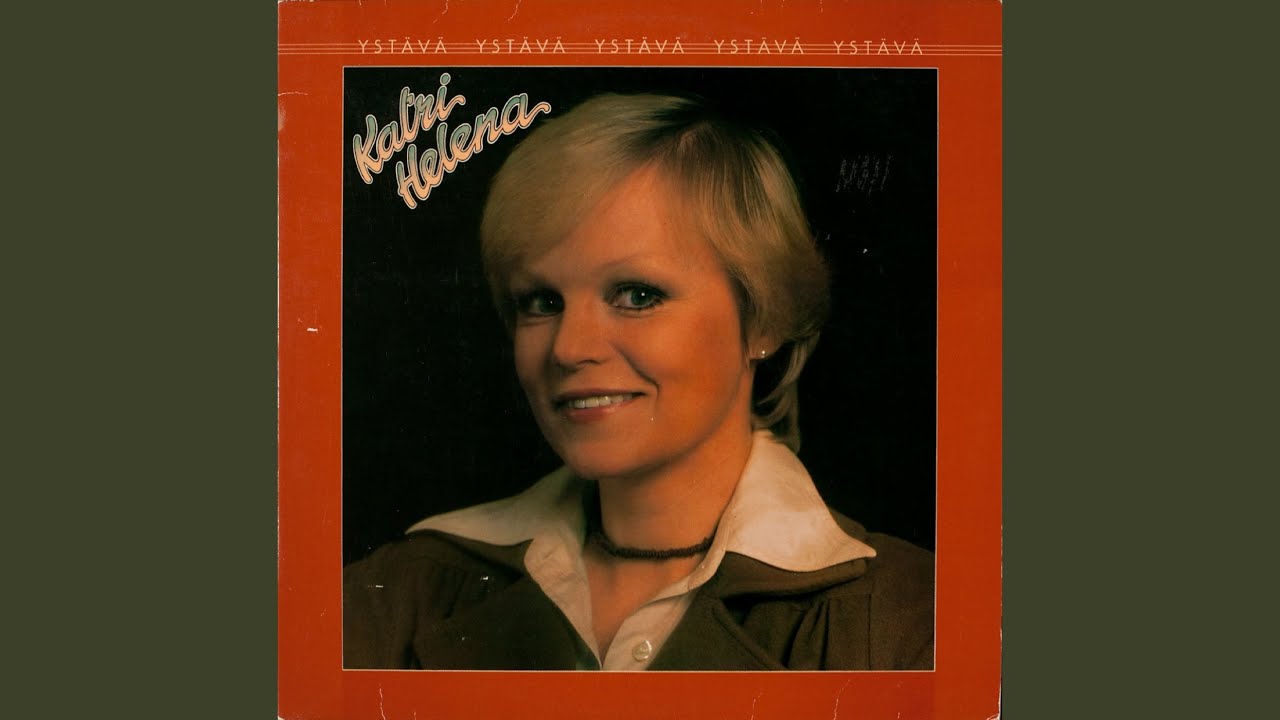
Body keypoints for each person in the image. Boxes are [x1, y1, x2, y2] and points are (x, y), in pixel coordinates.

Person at [343, 93, 934, 670]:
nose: (569, 349)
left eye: (637, 295)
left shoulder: (911, 624)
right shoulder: (392, 596)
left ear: (763, 319)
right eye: (541, 301)